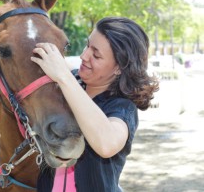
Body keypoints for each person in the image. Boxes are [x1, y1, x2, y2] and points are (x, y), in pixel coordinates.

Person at [31, 16, 159, 192]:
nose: (84, 55)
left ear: (119, 68)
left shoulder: (121, 107)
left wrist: (64, 77)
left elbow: (107, 144)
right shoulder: (69, 81)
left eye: (96, 55)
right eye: (87, 45)